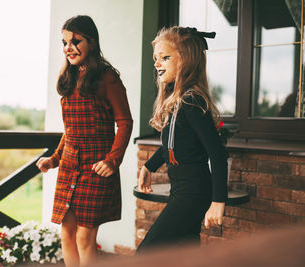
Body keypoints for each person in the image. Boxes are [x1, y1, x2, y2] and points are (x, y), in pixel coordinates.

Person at [36, 15, 133, 267]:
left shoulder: (107, 77)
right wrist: (55, 159)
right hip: (69, 166)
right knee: (66, 234)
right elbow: (70, 129)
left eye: (75, 41)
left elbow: (125, 122)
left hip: (96, 167)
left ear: (91, 41)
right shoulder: (68, 78)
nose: (68, 47)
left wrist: (113, 161)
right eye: (64, 42)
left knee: (84, 237)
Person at [136, 26, 228, 251]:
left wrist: (218, 202)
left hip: (193, 192)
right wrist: (149, 166)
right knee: (185, 252)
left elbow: (217, 154)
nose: (157, 64)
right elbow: (171, 144)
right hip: (181, 189)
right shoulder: (176, 101)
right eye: (156, 58)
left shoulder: (192, 101)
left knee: (146, 254)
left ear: (186, 60)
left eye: (165, 57)